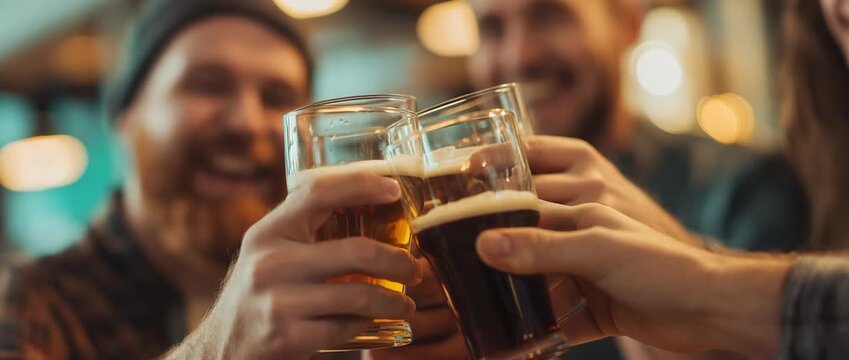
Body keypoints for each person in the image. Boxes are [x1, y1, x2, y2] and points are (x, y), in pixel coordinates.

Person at [375, 1, 807, 359]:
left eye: (549, 14)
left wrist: (683, 275)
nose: (519, 56)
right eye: (491, 28)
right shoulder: (450, 231)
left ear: (628, 22)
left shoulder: (751, 185)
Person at [0, 1, 421, 359]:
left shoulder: (349, 306)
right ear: (125, 118)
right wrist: (216, 348)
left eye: (276, 97)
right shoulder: (29, 304)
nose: (246, 123)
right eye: (207, 86)